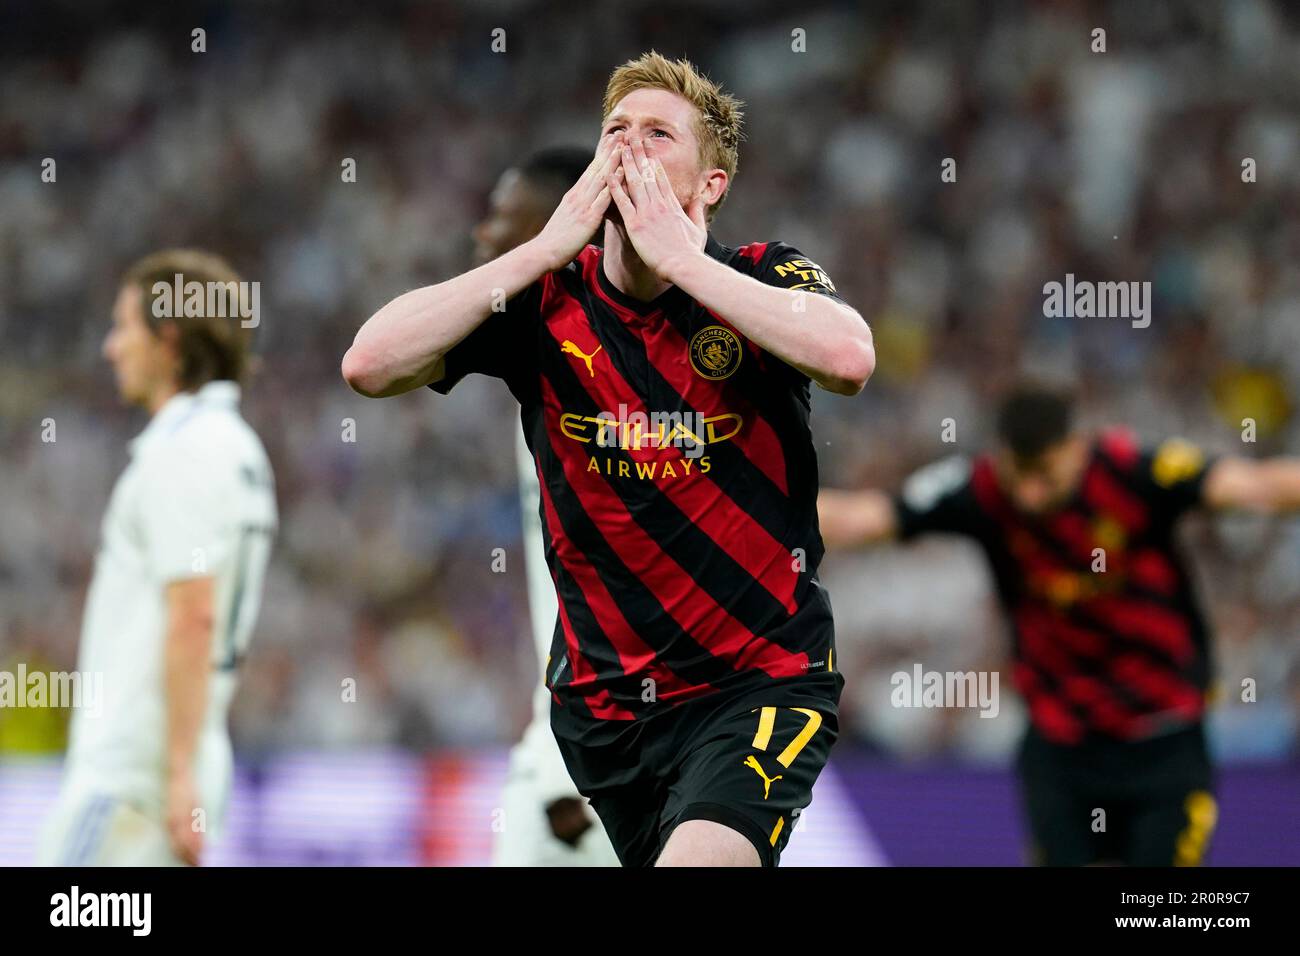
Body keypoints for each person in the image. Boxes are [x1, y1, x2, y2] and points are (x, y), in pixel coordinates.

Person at [343, 51, 874, 866]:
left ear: (709, 185)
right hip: (603, 712)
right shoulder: (547, 302)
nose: (629, 148)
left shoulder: (759, 275)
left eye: (659, 135)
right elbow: (370, 364)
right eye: (615, 132)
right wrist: (538, 250)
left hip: (759, 679)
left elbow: (849, 358)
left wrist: (685, 261)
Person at [818, 383, 1300, 865]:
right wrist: (749, 510)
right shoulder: (980, 487)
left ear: (1077, 448)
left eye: (1044, 476)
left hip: (1164, 738)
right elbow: (863, 518)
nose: (1029, 496)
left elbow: (1258, 487)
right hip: (1060, 746)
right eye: (1019, 476)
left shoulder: (1133, 470)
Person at [39, 250, 277, 866]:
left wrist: (175, 776)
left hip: (133, 778)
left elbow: (193, 613)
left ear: (168, 339)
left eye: (123, 327)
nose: (110, 348)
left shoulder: (187, 450)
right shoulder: (236, 449)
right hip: (173, 770)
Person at [475, 147, 619, 866]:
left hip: (600, 751)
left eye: (504, 218)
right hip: (567, 735)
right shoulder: (543, 355)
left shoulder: (611, 374)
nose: (483, 236)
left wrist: (571, 766)